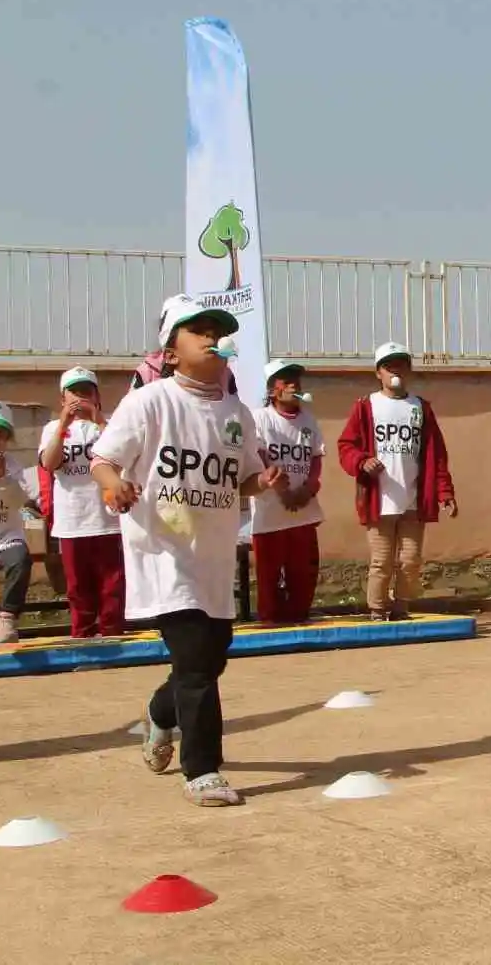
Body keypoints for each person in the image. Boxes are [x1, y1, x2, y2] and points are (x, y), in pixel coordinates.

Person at [91, 296, 287, 807]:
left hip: (214, 558)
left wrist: (260, 482)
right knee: (198, 662)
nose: (210, 337)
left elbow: (242, 479)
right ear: (171, 352)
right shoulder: (150, 401)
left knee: (207, 659)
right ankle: (202, 768)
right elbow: (104, 460)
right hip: (164, 553)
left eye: (216, 330)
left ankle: (159, 713)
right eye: (196, 330)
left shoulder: (236, 412)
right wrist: (114, 485)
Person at [337, 343, 457, 621]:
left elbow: (436, 454)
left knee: (410, 560)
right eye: (388, 365)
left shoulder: (420, 408)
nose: (395, 370)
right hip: (380, 500)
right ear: (378, 373)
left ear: (409, 369)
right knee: (381, 561)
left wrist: (444, 492)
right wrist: (361, 461)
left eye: (400, 364)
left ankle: (401, 608)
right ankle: (378, 611)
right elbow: (346, 446)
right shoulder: (366, 406)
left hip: (414, 498)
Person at [38, 367, 125, 638]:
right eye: (74, 393)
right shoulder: (53, 428)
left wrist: (99, 421)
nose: (80, 398)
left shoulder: (111, 425)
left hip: (108, 519)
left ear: (97, 395)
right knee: (78, 587)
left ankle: (112, 633)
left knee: (112, 584)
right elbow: (50, 464)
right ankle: (82, 636)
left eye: (86, 392)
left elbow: (123, 458)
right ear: (62, 399)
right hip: (72, 520)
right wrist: (63, 425)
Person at [250, 360, 325, 625]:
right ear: (272, 390)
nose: (293, 385)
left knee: (302, 572)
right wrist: (281, 489)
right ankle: (270, 620)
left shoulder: (309, 421)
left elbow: (316, 458)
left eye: (296, 380)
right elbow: (258, 454)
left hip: (303, 510)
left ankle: (299, 616)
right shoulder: (260, 418)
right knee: (269, 572)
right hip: (270, 511)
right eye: (286, 380)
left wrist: (308, 489)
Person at [0, 401, 34, 649]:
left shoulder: (12, 465)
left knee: (20, 558)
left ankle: (8, 618)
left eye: (0, 434)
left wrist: (3, 477)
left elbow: (19, 502)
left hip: (5, 535)